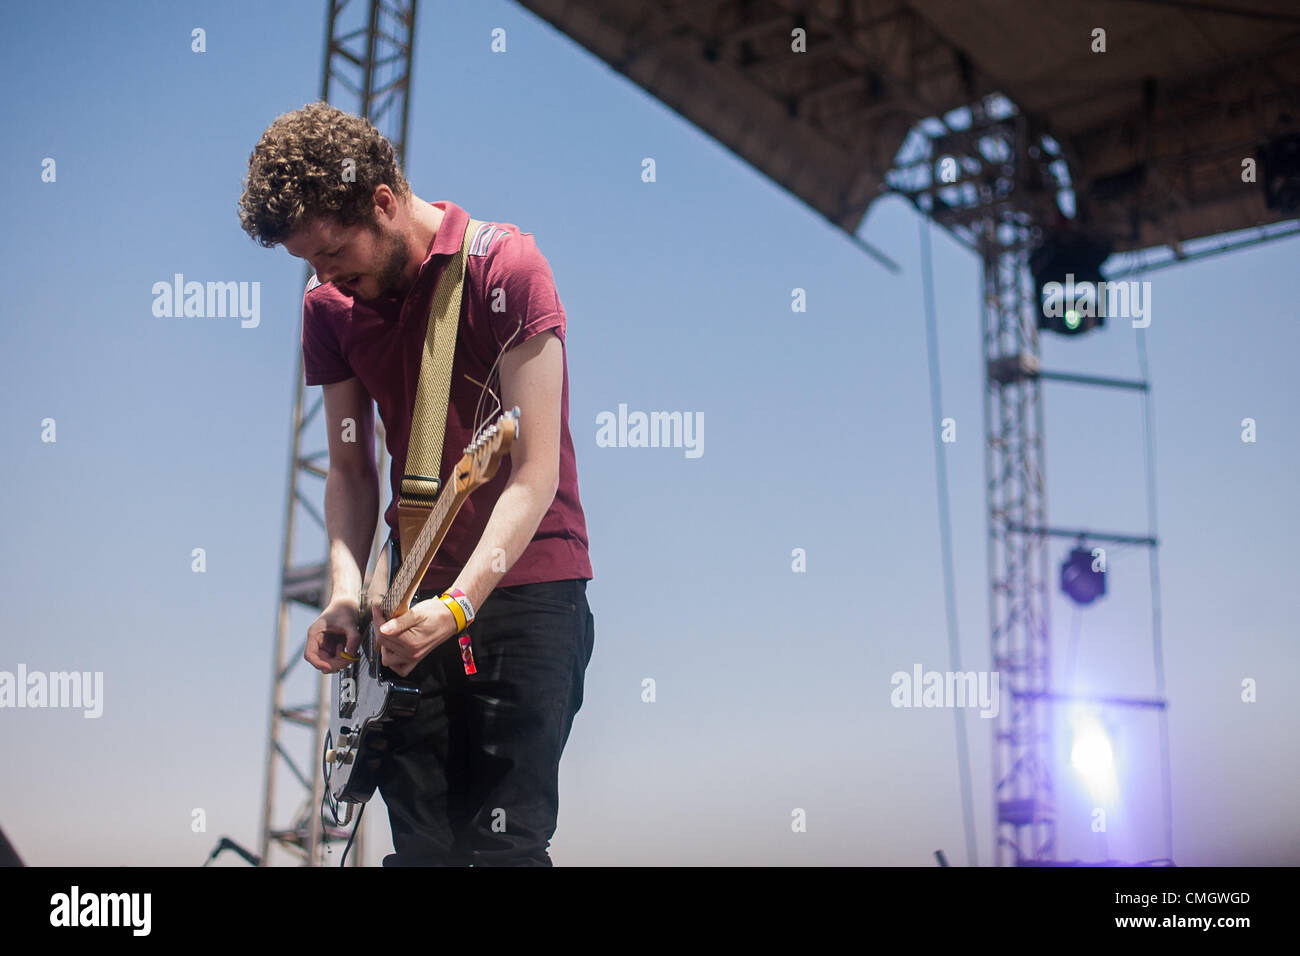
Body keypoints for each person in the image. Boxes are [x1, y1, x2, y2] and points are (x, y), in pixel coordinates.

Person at [237, 101, 595, 866]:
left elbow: (533, 473)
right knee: (423, 854)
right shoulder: (328, 308)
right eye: (310, 264)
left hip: (526, 590)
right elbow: (350, 467)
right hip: (405, 608)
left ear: (383, 202)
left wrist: (462, 604)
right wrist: (344, 591)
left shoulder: (507, 269)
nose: (326, 277)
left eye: (334, 253)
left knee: (502, 847)